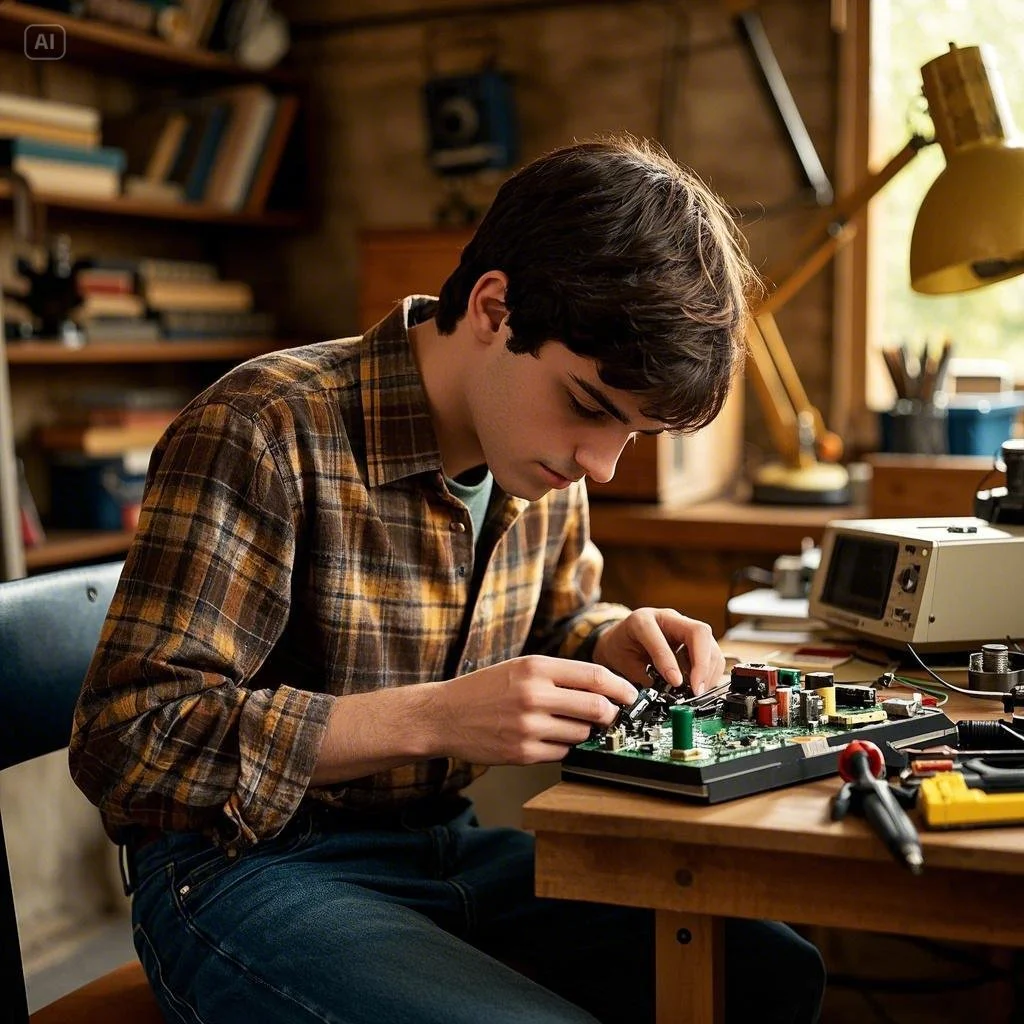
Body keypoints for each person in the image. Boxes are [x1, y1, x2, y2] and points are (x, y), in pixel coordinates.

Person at [70, 135, 825, 1024]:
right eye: (590, 408)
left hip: (440, 848)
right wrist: (434, 716)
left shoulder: (543, 462)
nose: (603, 465)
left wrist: (613, 643)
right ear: (495, 308)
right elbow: (129, 739)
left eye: (635, 435)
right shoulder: (263, 428)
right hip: (242, 868)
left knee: (771, 976)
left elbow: (555, 625)